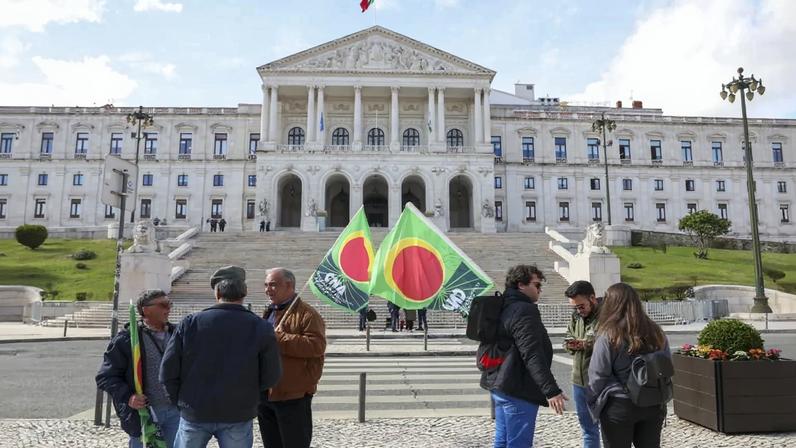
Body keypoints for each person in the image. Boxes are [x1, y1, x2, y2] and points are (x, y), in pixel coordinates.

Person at [160, 266, 282, 448]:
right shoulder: (261, 327)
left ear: (217, 293)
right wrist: (249, 396)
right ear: (244, 293)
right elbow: (271, 375)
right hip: (238, 411)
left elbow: (168, 371)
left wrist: (180, 401)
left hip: (195, 409)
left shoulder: (190, 323)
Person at [480, 264, 567, 448]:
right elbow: (532, 354)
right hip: (518, 388)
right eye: (536, 285)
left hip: (499, 384)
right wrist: (551, 390)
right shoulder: (524, 310)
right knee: (518, 444)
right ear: (521, 285)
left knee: (502, 441)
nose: (539, 290)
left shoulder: (503, 305)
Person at [588, 283, 670, 448]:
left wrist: (593, 403)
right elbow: (666, 366)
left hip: (619, 403)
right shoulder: (656, 332)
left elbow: (597, 374)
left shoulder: (609, 334)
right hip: (652, 401)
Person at [96, 289, 180, 448]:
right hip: (143, 414)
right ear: (145, 310)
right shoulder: (127, 339)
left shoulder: (179, 334)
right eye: (163, 305)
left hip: (175, 412)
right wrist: (129, 397)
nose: (168, 309)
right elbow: (105, 377)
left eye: (169, 304)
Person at [258, 268, 326, 448]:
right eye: (266, 285)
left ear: (289, 285)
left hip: (293, 395)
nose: (267, 289)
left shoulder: (307, 314)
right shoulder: (269, 312)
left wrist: (279, 338)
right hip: (266, 393)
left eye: (273, 285)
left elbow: (317, 346)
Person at [564, 280, 601, 448]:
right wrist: (570, 345)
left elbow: (609, 343)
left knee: (611, 429)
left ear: (592, 298)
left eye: (581, 306)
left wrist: (585, 344)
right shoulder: (576, 316)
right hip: (579, 381)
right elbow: (567, 338)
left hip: (602, 382)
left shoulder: (606, 316)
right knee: (588, 429)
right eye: (575, 308)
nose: (579, 311)